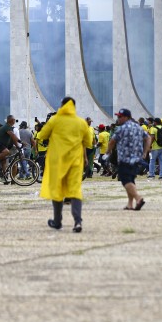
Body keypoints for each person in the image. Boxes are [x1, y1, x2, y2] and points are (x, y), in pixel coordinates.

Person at [38, 97, 93, 233]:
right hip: (75, 162)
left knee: (57, 191)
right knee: (75, 190)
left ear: (62, 106)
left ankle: (57, 222)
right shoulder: (81, 122)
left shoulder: (55, 120)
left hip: (57, 162)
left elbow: (42, 135)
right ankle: (78, 222)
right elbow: (88, 142)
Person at [105, 108, 150, 211]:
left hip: (125, 159)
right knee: (131, 180)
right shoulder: (138, 127)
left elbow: (112, 141)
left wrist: (108, 151)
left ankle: (138, 198)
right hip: (137, 159)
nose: (118, 119)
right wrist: (145, 152)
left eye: (120, 117)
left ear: (126, 117)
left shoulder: (121, 128)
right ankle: (130, 204)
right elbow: (148, 138)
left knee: (125, 180)